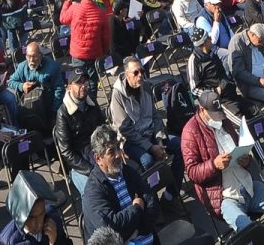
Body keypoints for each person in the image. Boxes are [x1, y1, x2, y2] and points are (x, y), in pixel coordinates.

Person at [180, 88, 264, 231]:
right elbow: (192, 172)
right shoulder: (190, 132)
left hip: (248, 186)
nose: (218, 118)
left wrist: (246, 161)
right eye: (213, 114)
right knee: (251, 231)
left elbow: (239, 147)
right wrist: (214, 165)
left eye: (219, 113)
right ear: (202, 110)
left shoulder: (224, 120)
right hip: (225, 197)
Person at [108, 55, 180, 198]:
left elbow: (156, 116)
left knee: (180, 145)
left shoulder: (146, 86)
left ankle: (171, 194)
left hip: (151, 133)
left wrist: (159, 139)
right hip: (132, 140)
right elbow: (126, 130)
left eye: (141, 71)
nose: (140, 75)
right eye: (135, 73)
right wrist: (151, 147)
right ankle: (151, 200)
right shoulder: (117, 96)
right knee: (147, 161)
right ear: (126, 74)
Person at [81, 124, 159, 245]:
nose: (118, 154)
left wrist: (138, 231)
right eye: (111, 151)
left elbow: (152, 200)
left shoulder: (128, 172)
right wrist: (137, 208)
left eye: (118, 147)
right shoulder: (93, 191)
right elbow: (111, 229)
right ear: (98, 158)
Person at [54, 68, 104, 195]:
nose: (83, 86)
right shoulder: (63, 113)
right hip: (79, 165)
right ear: (69, 87)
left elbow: (104, 130)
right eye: (78, 83)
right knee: (93, 192)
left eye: (85, 82)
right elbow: (66, 152)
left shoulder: (92, 103)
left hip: (98, 152)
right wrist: (90, 169)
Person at [0, 171, 69, 245]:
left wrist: (55, 241)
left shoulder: (52, 219)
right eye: (32, 218)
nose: (39, 223)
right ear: (20, 216)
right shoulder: (10, 241)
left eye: (42, 213)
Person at [9, 40, 65, 134]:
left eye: (34, 56)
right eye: (29, 56)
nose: (31, 60)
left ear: (41, 56)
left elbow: (59, 89)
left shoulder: (52, 66)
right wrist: (22, 86)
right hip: (29, 106)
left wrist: (54, 112)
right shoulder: (22, 67)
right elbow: (10, 81)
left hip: (48, 106)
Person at [59, 0, 112, 79]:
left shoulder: (75, 8)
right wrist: (104, 52)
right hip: (95, 53)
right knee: (93, 81)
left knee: (78, 81)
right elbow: (106, 37)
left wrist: (68, 1)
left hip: (78, 53)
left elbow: (63, 19)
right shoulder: (101, 13)